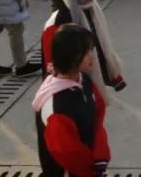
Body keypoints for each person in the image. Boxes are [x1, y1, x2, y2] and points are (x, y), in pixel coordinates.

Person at [31, 24, 111, 177]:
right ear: (70, 56)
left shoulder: (83, 79)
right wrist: (91, 171)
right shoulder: (56, 106)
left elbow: (98, 114)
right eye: (86, 51)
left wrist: (100, 152)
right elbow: (67, 153)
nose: (91, 55)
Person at [42, 0, 126, 99]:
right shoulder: (59, 21)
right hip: (72, 91)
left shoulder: (89, 5)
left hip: (91, 83)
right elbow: (54, 66)